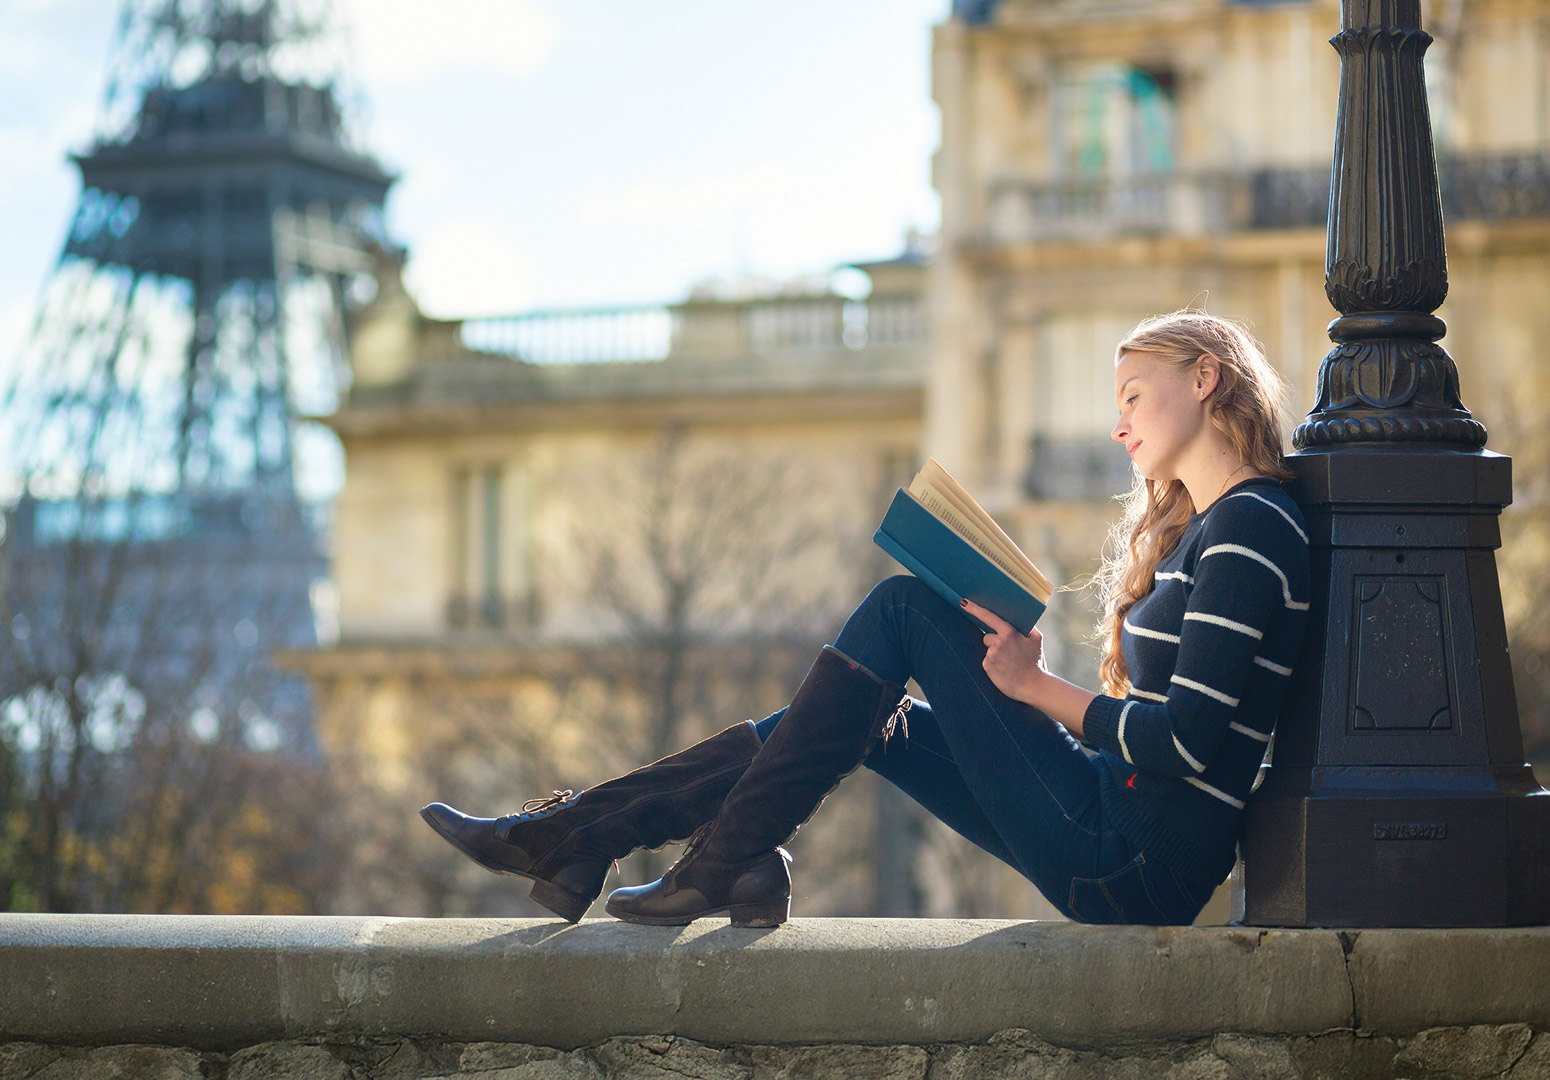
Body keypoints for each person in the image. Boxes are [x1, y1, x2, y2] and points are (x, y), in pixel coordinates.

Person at [420, 310, 1310, 927]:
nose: (1119, 424)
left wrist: (1035, 689)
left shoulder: (1249, 526)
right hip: (1112, 823)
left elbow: (1187, 743)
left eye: (1133, 394)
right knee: (876, 719)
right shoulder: (1218, 529)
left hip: (1133, 860)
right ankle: (664, 849)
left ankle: (616, 844)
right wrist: (1023, 680)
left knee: (903, 610)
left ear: (1206, 378)